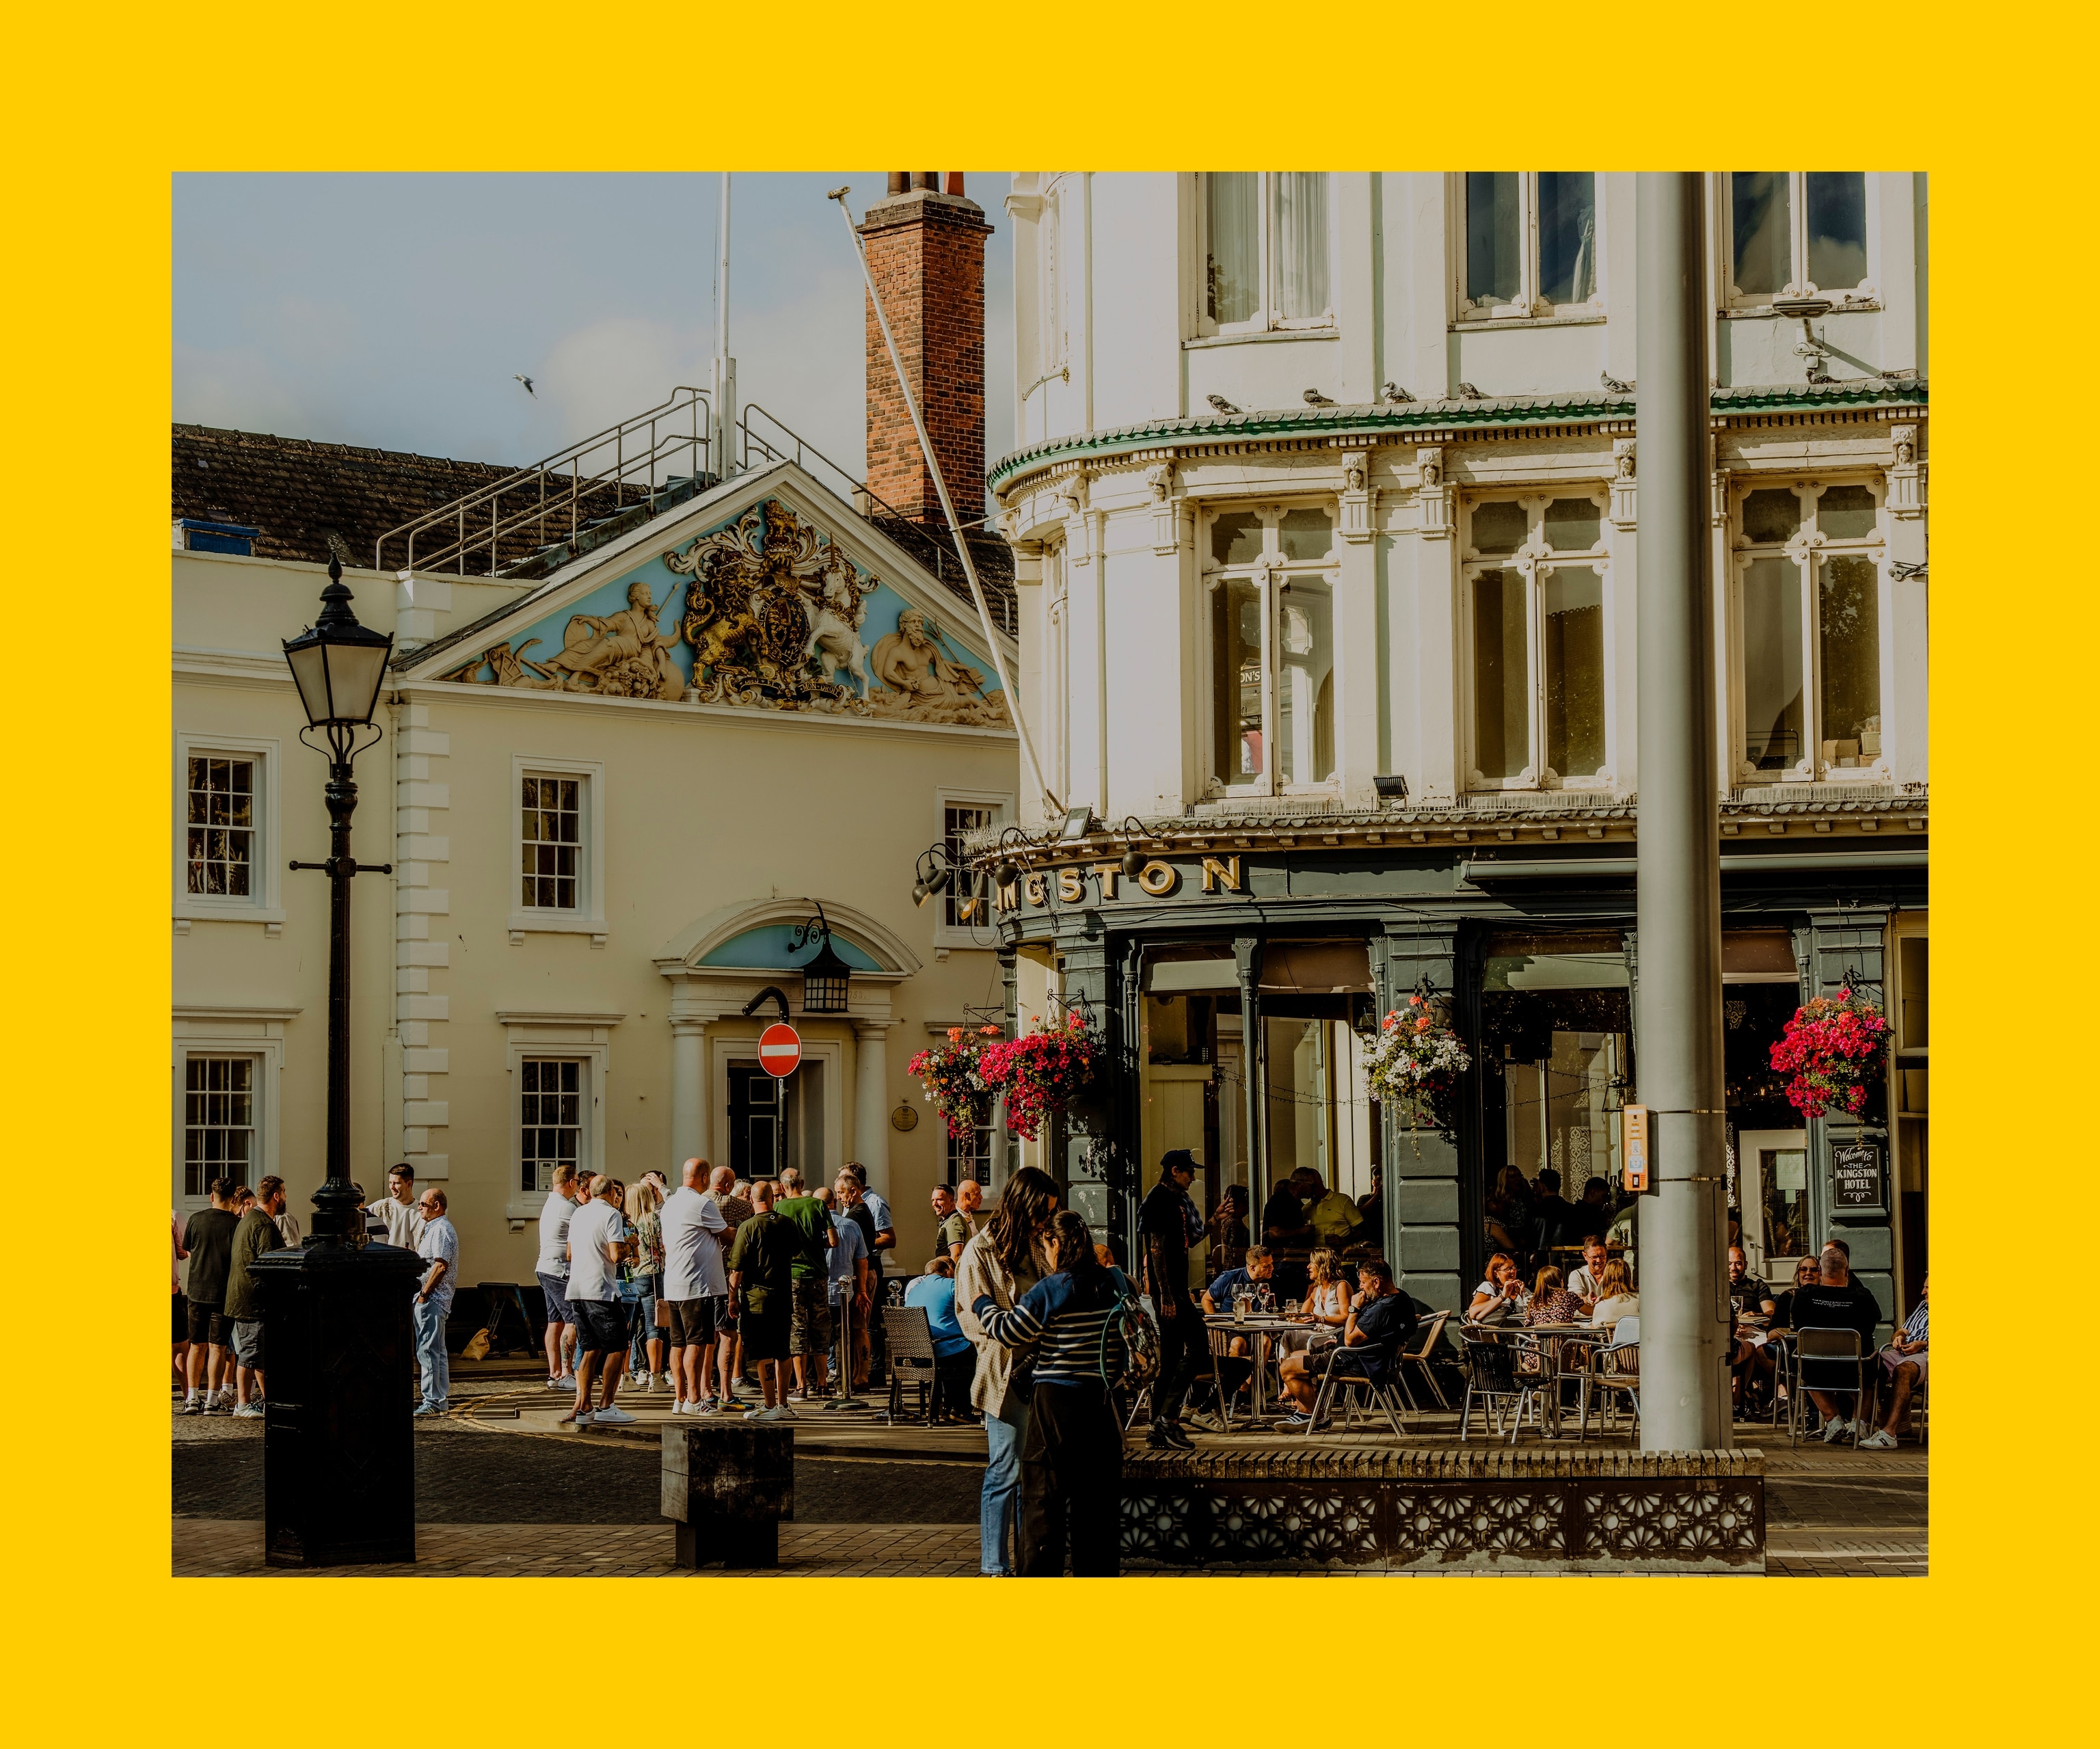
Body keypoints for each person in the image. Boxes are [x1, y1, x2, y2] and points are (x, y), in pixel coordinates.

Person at [971, 1208, 1133, 1577]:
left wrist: (982, 1302)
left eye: (1045, 1245)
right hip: (1104, 1403)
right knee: (1097, 1506)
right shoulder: (1115, 1281)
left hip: (1056, 1406)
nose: (1044, 1252)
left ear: (1056, 1244)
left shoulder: (1055, 1287)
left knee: (1044, 1501)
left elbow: (1010, 1331)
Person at [955, 1166, 1060, 1578]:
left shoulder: (1038, 1246)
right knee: (1005, 1468)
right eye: (1042, 1212)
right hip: (1007, 1373)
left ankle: (1028, 1562)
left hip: (1047, 1369)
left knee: (1033, 1472)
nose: (1045, 1222)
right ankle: (994, 1567)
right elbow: (974, 1317)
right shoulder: (980, 1251)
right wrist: (1018, 1327)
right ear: (1022, 1206)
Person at [1276, 1257, 1416, 1422]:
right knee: (1294, 1355)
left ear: (1376, 1282)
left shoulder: (1381, 1309)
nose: (1360, 1287)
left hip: (1352, 1361)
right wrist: (1340, 1341)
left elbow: (1350, 1341)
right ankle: (1305, 1414)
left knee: (1287, 1368)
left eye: (1363, 1282)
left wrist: (1354, 1308)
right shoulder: (1402, 1298)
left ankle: (1315, 1416)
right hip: (1358, 1354)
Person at [1136, 1148, 1204, 1452]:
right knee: (1200, 1347)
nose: (1193, 1177)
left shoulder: (1178, 1200)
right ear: (1175, 1171)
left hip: (1176, 1289)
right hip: (1171, 1292)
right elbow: (1156, 1249)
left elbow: (1189, 1239)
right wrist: (1164, 1294)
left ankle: (1157, 1427)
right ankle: (1166, 1418)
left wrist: (1214, 1220)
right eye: (1189, 1171)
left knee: (1173, 1359)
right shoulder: (1160, 1199)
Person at [561, 1176, 637, 1428]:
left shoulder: (578, 1214)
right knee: (617, 1348)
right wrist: (630, 1244)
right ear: (611, 1193)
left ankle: (584, 1406)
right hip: (601, 1290)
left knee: (590, 1349)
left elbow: (569, 1254)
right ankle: (607, 1405)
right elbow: (616, 1254)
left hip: (577, 1290)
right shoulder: (611, 1214)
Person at [1792, 1243, 1885, 1442]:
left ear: (1820, 1271)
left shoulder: (1804, 1296)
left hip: (1817, 1370)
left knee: (1802, 1360)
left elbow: (1798, 1327)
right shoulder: (1862, 1297)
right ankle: (1859, 1423)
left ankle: (1832, 1419)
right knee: (1875, 1364)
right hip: (1855, 1370)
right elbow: (1873, 1322)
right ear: (1847, 1271)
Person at [662, 1159, 732, 1415]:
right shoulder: (702, 1203)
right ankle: (694, 1399)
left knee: (677, 1344)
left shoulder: (669, 1205)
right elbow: (727, 1235)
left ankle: (680, 1399)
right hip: (697, 1284)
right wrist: (750, 1230)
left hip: (674, 1283)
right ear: (704, 1177)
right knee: (698, 1343)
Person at [727, 1178, 798, 1419]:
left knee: (763, 1352)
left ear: (750, 1199)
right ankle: (784, 1404)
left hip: (757, 1299)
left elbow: (736, 1270)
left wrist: (732, 1298)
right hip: (783, 1297)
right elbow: (796, 1251)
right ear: (772, 1198)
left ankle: (769, 1405)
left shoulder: (748, 1227)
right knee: (782, 1350)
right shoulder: (787, 1223)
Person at [224, 1177, 286, 1418]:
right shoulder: (264, 1225)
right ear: (276, 1196)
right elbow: (270, 1266)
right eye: (283, 1192)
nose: (284, 1197)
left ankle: (269, 1400)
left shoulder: (249, 1219)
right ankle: (242, 1404)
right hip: (253, 1299)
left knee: (258, 1353)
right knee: (250, 1354)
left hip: (244, 1296)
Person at [774, 1167, 836, 1401]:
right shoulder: (818, 1205)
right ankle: (822, 1384)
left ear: (782, 1187)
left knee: (797, 1329)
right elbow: (833, 1240)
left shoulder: (779, 1208)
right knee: (820, 1328)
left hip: (792, 1275)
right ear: (802, 1182)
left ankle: (801, 1386)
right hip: (818, 1274)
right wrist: (815, 1245)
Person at [180, 1179, 243, 1413]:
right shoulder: (236, 1224)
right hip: (222, 1292)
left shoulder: (196, 1219)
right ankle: (212, 1399)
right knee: (217, 1347)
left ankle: (191, 1398)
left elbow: (188, 1249)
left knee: (196, 1346)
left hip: (197, 1290)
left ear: (211, 1196)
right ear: (233, 1199)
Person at [904, 1256, 975, 1417]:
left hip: (918, 1355)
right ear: (949, 1271)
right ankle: (962, 1409)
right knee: (969, 1350)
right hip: (943, 1351)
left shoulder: (915, 1290)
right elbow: (973, 1309)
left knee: (956, 1347)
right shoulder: (952, 1285)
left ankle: (946, 1405)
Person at [1860, 1277, 1926, 1450]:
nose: (1923, 1292)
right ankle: (1861, 1424)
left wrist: (1924, 1344)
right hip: (1902, 1351)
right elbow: (1903, 1329)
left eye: (1928, 1288)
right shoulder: (1923, 1306)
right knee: (1868, 1363)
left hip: (1927, 1355)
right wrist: (1899, 1337)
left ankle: (1889, 1433)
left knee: (1903, 1369)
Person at [412, 1188, 458, 1415]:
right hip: (433, 1298)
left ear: (437, 1206)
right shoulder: (435, 1229)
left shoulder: (441, 1229)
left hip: (433, 1299)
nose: (419, 1207)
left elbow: (440, 1265)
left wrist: (424, 1294)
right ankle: (439, 1400)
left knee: (428, 1350)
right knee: (436, 1350)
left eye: (423, 1204)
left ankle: (432, 1401)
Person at [535, 1162, 580, 1390]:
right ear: (572, 1183)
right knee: (573, 1320)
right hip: (560, 1271)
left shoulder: (550, 1203)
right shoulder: (567, 1208)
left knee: (555, 1322)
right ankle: (566, 1373)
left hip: (545, 1268)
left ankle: (554, 1374)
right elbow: (586, 1234)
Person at [832, 1171, 878, 1389]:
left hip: (863, 1275)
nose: (840, 1197)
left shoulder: (855, 1215)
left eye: (842, 1192)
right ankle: (855, 1374)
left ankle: (861, 1376)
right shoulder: (857, 1211)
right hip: (862, 1274)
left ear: (854, 1191)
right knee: (856, 1327)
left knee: (859, 1326)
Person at [824, 1188, 872, 1394]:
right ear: (834, 1202)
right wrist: (861, 1290)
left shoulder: (812, 1226)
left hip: (822, 1290)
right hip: (848, 1290)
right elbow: (862, 1261)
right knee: (845, 1336)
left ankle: (817, 1382)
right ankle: (846, 1382)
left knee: (818, 1338)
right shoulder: (851, 1225)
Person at [625, 1178, 667, 1391]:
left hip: (631, 1278)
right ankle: (655, 1377)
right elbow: (661, 1248)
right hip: (652, 1275)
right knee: (653, 1326)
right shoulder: (652, 1219)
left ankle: (626, 1375)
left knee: (629, 1328)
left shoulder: (627, 1223)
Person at [366, 1163, 426, 1250]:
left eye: (396, 1183)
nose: (392, 1187)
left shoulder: (421, 1213)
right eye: (390, 1183)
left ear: (409, 1184)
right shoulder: (379, 1208)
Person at [1466, 1252, 1526, 1325]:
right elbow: (1473, 1313)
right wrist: (1502, 1297)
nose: (1512, 1271)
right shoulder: (1488, 1287)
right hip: (1495, 1333)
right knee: (1509, 1323)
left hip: (1521, 1332)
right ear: (1496, 1274)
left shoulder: (1523, 1290)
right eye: (1508, 1269)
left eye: (1514, 1267)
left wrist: (1523, 1295)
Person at [1304, 1174, 1363, 1247]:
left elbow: (1363, 1230)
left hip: (1340, 1256)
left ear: (1318, 1182)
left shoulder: (1343, 1200)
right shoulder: (1305, 1209)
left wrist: (1343, 1240)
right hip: (1315, 1257)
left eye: (1308, 1184)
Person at [1205, 1184, 1252, 1274]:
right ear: (1241, 1204)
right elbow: (1235, 1250)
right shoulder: (1235, 1223)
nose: (1249, 1206)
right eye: (1247, 1202)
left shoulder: (1229, 1221)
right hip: (1237, 1268)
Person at [1525, 1265, 1585, 1329]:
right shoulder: (1570, 1297)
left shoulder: (1534, 1302)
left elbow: (1528, 1325)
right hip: (1567, 1337)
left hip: (1540, 1337)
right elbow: (1589, 1311)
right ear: (1560, 1281)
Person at [1587, 1258, 1640, 1326]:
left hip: (1611, 1337)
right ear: (1628, 1276)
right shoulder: (1641, 1301)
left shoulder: (1602, 1306)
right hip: (1638, 1337)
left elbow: (1593, 1332)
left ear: (1606, 1278)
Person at [172, 1210, 189, 1397]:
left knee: (179, 1346)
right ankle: (188, 1396)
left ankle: (188, 1395)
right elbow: (183, 1252)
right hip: (170, 1291)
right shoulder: (171, 1216)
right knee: (178, 1346)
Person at [1567, 1238, 1611, 1307]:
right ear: (1585, 1256)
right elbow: (1575, 1299)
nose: (1599, 1260)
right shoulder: (1577, 1275)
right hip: (1584, 1317)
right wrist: (1587, 1299)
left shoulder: (1614, 1273)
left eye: (1603, 1256)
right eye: (1594, 1257)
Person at [932, 1184, 971, 1261]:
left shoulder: (953, 1223)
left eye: (939, 1200)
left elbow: (957, 1255)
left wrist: (951, 1273)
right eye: (933, 1200)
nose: (935, 1204)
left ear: (951, 1201)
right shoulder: (949, 1221)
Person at [954, 1177, 986, 1255]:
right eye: (977, 1194)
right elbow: (957, 1255)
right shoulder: (956, 1220)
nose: (981, 1197)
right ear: (967, 1195)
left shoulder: (967, 1215)